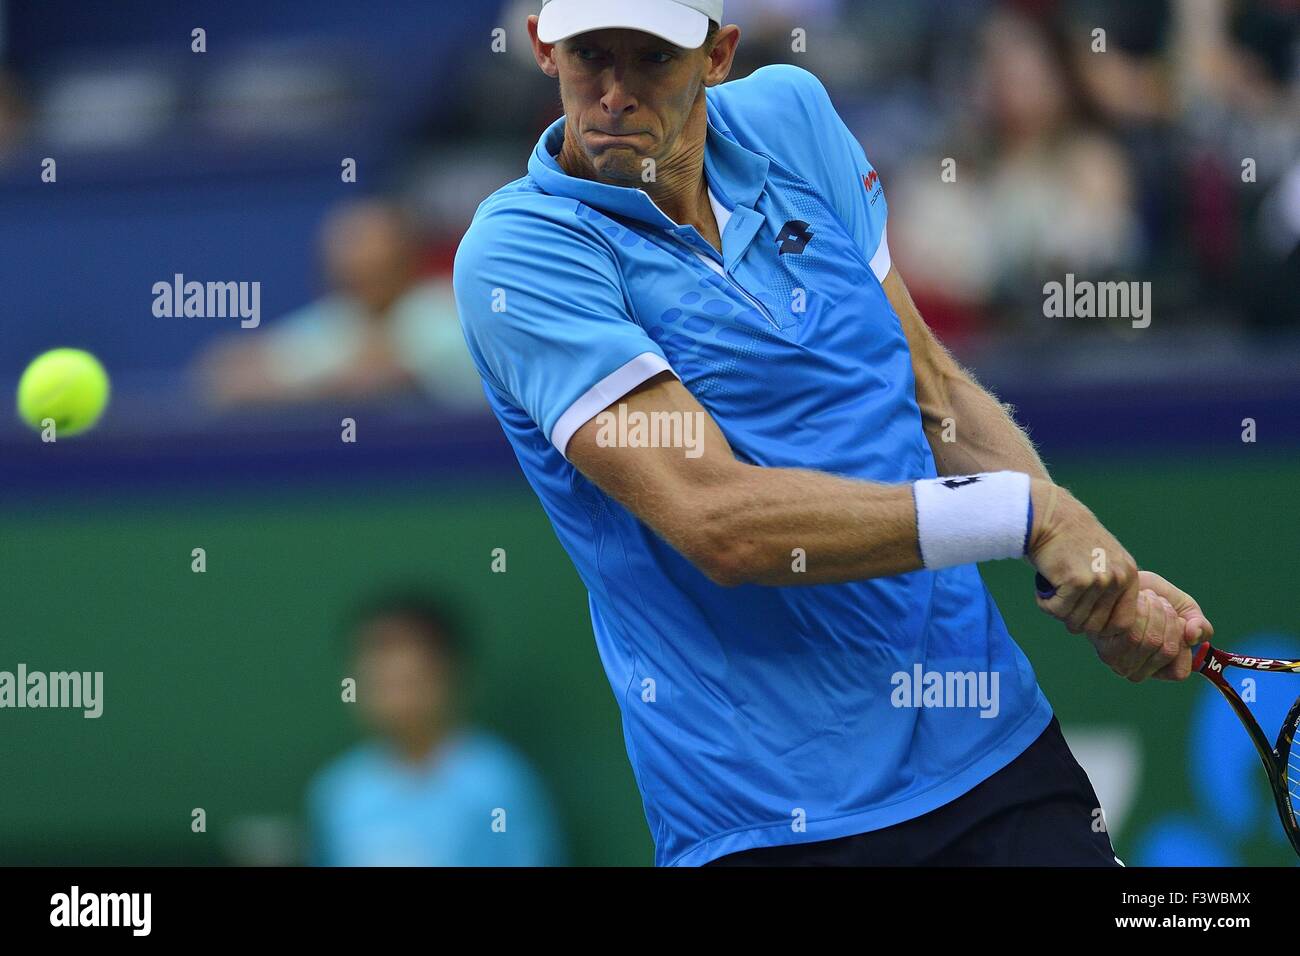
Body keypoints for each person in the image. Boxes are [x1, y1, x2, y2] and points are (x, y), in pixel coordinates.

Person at [452, 0, 1214, 867]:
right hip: (771, 818)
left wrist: (1093, 568)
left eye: (653, 59)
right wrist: (1028, 515)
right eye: (592, 55)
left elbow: (930, 387)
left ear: (718, 56)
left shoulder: (793, 116)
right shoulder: (522, 253)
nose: (616, 94)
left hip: (994, 753)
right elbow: (722, 522)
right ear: (544, 52)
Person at [307, 594, 564, 866]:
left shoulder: (496, 784)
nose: (396, 700)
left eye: (408, 682)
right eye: (380, 684)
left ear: (449, 677)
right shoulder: (340, 791)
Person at [195, 200, 484, 409]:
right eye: (348, 271)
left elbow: (381, 376)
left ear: (405, 259)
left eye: (375, 268)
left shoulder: (448, 308)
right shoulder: (334, 320)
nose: (358, 275)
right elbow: (229, 373)